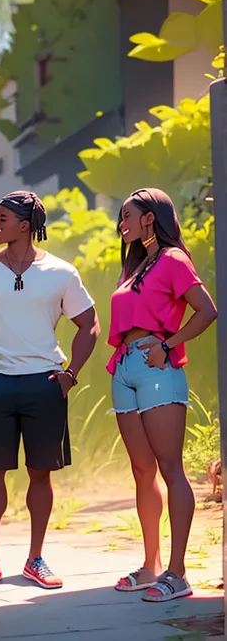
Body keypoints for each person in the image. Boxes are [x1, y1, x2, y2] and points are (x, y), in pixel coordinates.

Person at [0, 191, 99, 591]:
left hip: (45, 383)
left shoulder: (62, 272)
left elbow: (89, 323)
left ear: (25, 225)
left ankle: (36, 558)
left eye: (2, 217)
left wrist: (71, 374)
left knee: (42, 474)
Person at [109, 188, 217, 602]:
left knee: (171, 467)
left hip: (158, 365)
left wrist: (169, 345)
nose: (122, 224)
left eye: (128, 215)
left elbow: (206, 310)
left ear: (150, 218)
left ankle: (178, 572)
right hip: (124, 369)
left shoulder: (173, 261)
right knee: (142, 471)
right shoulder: (137, 265)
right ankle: (151, 565)